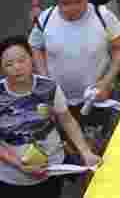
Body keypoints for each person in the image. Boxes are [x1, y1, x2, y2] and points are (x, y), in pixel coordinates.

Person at [0, 35, 103, 186]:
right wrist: (19, 164)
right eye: (9, 64)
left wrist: (85, 151)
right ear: (2, 69)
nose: (17, 67)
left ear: (32, 59)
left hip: (53, 169)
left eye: (22, 60)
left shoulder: (49, 87)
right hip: (13, 178)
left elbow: (67, 120)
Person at [29, 0, 120, 110]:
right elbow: (35, 46)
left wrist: (107, 81)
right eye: (65, 4)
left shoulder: (102, 16)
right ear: (56, 2)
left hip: (96, 97)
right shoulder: (45, 18)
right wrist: (46, 80)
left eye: (77, 2)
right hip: (58, 100)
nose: (72, 8)